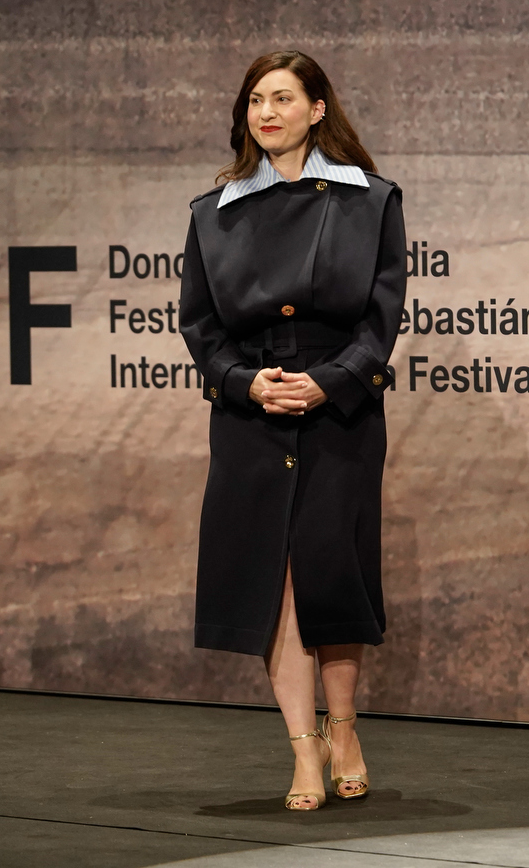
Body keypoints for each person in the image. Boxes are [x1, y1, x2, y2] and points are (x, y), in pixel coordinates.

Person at [178, 50, 406, 811]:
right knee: (273, 583)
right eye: (255, 101)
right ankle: (304, 749)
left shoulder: (371, 200)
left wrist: (330, 381)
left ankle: (344, 730)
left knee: (330, 573)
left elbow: (381, 319)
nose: (266, 113)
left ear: (317, 109)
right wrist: (243, 382)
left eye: (281, 98)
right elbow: (200, 326)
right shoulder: (213, 212)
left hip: (339, 411)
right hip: (252, 413)